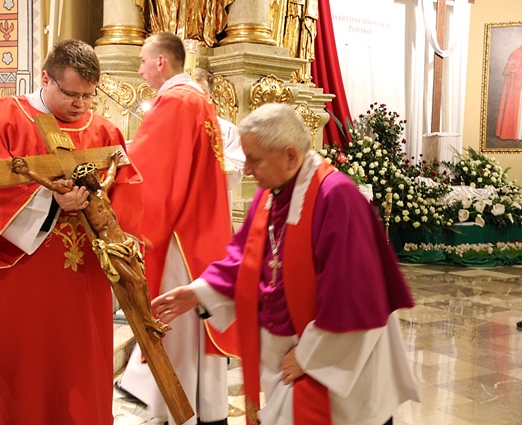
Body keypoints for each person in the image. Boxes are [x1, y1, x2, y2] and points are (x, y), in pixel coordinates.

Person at [152, 103, 420, 425]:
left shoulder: (337, 197)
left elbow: (355, 297)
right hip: (290, 357)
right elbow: (247, 258)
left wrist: (309, 355)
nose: (246, 169)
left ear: (290, 156)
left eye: (254, 159)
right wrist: (199, 291)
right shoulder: (271, 194)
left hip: (338, 369)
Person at [0, 39, 142, 425]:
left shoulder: (105, 131)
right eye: (72, 94)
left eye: (89, 96)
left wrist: (104, 208)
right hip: (21, 276)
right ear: (46, 78)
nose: (81, 105)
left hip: (84, 281)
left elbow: (127, 193)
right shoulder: (2, 116)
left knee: (77, 375)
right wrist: (50, 199)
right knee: (21, 373)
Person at [117, 32, 234, 425]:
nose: (140, 70)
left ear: (160, 62)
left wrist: (110, 174)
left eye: (142, 62)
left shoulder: (175, 101)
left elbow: (148, 169)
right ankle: (208, 410)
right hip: (200, 231)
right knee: (196, 332)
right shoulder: (199, 99)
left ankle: (179, 412)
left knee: (178, 328)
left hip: (179, 238)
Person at [11, 152, 169, 338]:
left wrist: (113, 161)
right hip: (111, 247)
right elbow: (51, 185)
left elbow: (111, 175)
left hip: (123, 242)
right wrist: (27, 171)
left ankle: (149, 318)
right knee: (135, 281)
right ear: (83, 180)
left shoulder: (102, 190)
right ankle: (148, 321)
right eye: (90, 176)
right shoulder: (83, 197)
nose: (94, 178)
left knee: (142, 280)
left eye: (94, 174)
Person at [193, 67, 245, 208]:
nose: (195, 97)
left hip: (212, 203)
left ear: (211, 97)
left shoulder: (227, 130)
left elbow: (236, 173)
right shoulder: (173, 126)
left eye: (201, 92)